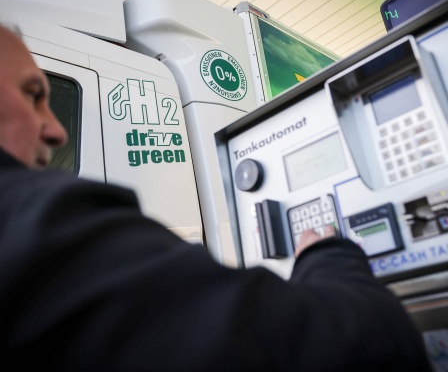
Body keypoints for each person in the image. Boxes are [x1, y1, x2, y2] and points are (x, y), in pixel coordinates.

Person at [0, 23, 431, 371]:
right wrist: (328, 255)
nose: (56, 131)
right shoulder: (39, 229)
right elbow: (363, 348)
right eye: (33, 96)